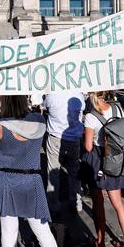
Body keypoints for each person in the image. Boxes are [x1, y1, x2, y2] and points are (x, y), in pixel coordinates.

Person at [0, 95, 69, 247]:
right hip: (31, 180)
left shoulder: (1, 126)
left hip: (6, 181)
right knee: (42, 230)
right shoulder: (39, 121)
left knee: (8, 231)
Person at [82, 92, 124, 247]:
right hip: (115, 159)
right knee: (118, 203)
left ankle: (101, 241)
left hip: (99, 160)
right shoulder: (117, 108)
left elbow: (89, 146)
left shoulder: (91, 117)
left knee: (98, 202)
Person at [42, 90, 85, 219]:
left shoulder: (53, 95)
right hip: (74, 138)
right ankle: (76, 202)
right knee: (74, 171)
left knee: (53, 171)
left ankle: (53, 205)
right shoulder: (79, 95)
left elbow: (44, 106)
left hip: (55, 136)